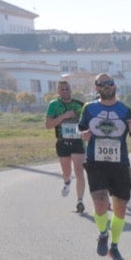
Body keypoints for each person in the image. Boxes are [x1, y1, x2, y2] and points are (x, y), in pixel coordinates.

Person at [78, 73, 131, 260]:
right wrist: (83, 135)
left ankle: (114, 246)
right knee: (99, 203)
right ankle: (103, 233)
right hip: (96, 162)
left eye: (110, 83)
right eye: (102, 84)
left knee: (120, 207)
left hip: (120, 164)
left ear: (115, 86)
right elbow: (79, 129)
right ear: (97, 87)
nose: (107, 86)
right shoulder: (89, 108)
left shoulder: (125, 109)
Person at [45, 77, 87, 213]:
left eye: (67, 88)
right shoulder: (53, 105)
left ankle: (80, 201)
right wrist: (63, 116)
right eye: (62, 89)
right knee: (66, 172)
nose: (65, 91)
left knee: (79, 171)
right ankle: (67, 182)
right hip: (62, 142)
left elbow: (88, 123)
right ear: (58, 91)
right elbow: (48, 125)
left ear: (71, 90)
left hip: (77, 142)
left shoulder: (80, 104)